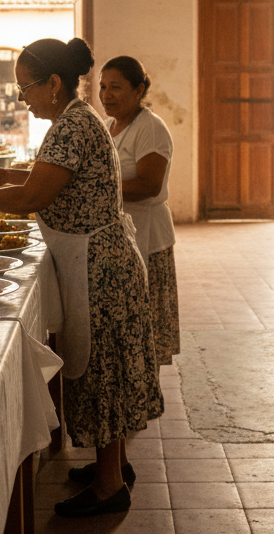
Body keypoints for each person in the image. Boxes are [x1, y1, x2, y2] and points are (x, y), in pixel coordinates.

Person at [0, 38, 163, 518]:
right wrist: (9, 175)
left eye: (27, 88)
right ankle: (110, 466)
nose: (23, 98)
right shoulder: (73, 121)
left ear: (54, 84)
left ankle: (109, 486)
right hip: (97, 259)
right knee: (102, 368)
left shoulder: (71, 126)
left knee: (102, 372)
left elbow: (33, 197)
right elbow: (51, 181)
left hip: (98, 266)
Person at [99, 56, 180, 367]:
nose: (106, 94)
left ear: (139, 90)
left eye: (116, 87)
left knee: (146, 327)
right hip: (124, 237)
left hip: (149, 236)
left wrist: (98, 187)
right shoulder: (109, 126)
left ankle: (145, 396)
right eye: (103, 87)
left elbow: (150, 185)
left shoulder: (150, 127)